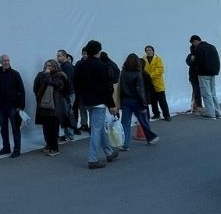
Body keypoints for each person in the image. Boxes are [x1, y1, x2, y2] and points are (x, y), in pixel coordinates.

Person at [73, 41, 117, 170]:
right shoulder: (102, 66)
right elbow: (107, 88)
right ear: (98, 52)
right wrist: (112, 104)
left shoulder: (80, 65)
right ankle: (93, 159)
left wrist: (80, 98)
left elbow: (76, 83)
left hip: (86, 101)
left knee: (98, 126)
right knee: (97, 129)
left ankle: (109, 152)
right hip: (100, 102)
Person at [119, 54, 159, 148]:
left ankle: (126, 144)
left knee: (125, 123)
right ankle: (151, 137)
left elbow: (120, 88)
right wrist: (144, 105)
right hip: (136, 101)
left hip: (125, 101)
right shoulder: (138, 74)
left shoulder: (123, 73)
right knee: (143, 121)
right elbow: (140, 91)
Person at [0, 54, 26, 158]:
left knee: (15, 128)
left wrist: (21, 106)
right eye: (4, 60)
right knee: (3, 128)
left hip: (13, 106)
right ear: (0, 62)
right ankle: (6, 147)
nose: (6, 62)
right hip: (1, 107)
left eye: (8, 60)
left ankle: (17, 149)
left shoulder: (15, 74)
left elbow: (21, 90)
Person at [33, 59, 68, 155]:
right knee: (46, 128)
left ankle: (54, 148)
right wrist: (39, 98)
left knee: (53, 128)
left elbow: (55, 84)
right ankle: (48, 146)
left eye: (50, 66)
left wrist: (47, 75)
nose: (48, 68)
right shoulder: (41, 75)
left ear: (55, 67)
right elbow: (35, 87)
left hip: (54, 107)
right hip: (43, 106)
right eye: (46, 66)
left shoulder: (60, 76)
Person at [190, 35, 221, 119]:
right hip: (213, 73)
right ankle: (218, 112)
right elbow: (217, 60)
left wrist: (193, 60)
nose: (194, 45)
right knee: (213, 93)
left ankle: (210, 114)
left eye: (193, 43)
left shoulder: (199, 49)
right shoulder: (212, 47)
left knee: (206, 94)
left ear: (195, 41)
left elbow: (198, 61)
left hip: (203, 73)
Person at [143, 45, 170, 121]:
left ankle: (166, 115)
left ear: (153, 51)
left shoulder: (158, 59)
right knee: (153, 100)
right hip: (149, 84)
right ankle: (156, 114)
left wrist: (150, 75)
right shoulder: (143, 59)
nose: (149, 52)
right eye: (147, 50)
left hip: (158, 83)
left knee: (162, 101)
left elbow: (160, 70)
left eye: (150, 50)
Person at [56, 49, 78, 139]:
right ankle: (68, 134)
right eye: (57, 56)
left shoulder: (67, 67)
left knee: (67, 113)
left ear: (65, 56)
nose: (57, 58)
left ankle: (70, 134)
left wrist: (66, 95)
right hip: (67, 94)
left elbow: (68, 82)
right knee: (66, 113)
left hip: (68, 94)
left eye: (59, 56)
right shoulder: (64, 66)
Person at [186, 48, 203, 116]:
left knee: (198, 92)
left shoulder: (201, 55)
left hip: (201, 76)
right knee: (196, 92)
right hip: (194, 77)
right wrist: (192, 59)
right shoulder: (190, 56)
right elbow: (188, 63)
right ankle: (196, 107)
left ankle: (196, 106)